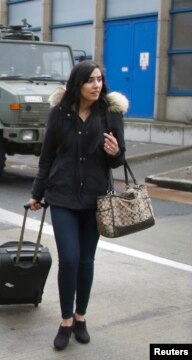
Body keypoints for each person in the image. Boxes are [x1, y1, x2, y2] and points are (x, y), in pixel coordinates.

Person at [27, 60, 128, 350]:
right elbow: (47, 156)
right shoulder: (60, 114)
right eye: (90, 80)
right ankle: (66, 320)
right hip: (62, 196)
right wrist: (37, 192)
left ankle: (81, 317)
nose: (96, 85)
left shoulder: (110, 114)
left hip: (96, 197)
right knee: (69, 259)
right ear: (77, 84)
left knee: (86, 260)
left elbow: (117, 160)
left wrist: (115, 152)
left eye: (99, 79)